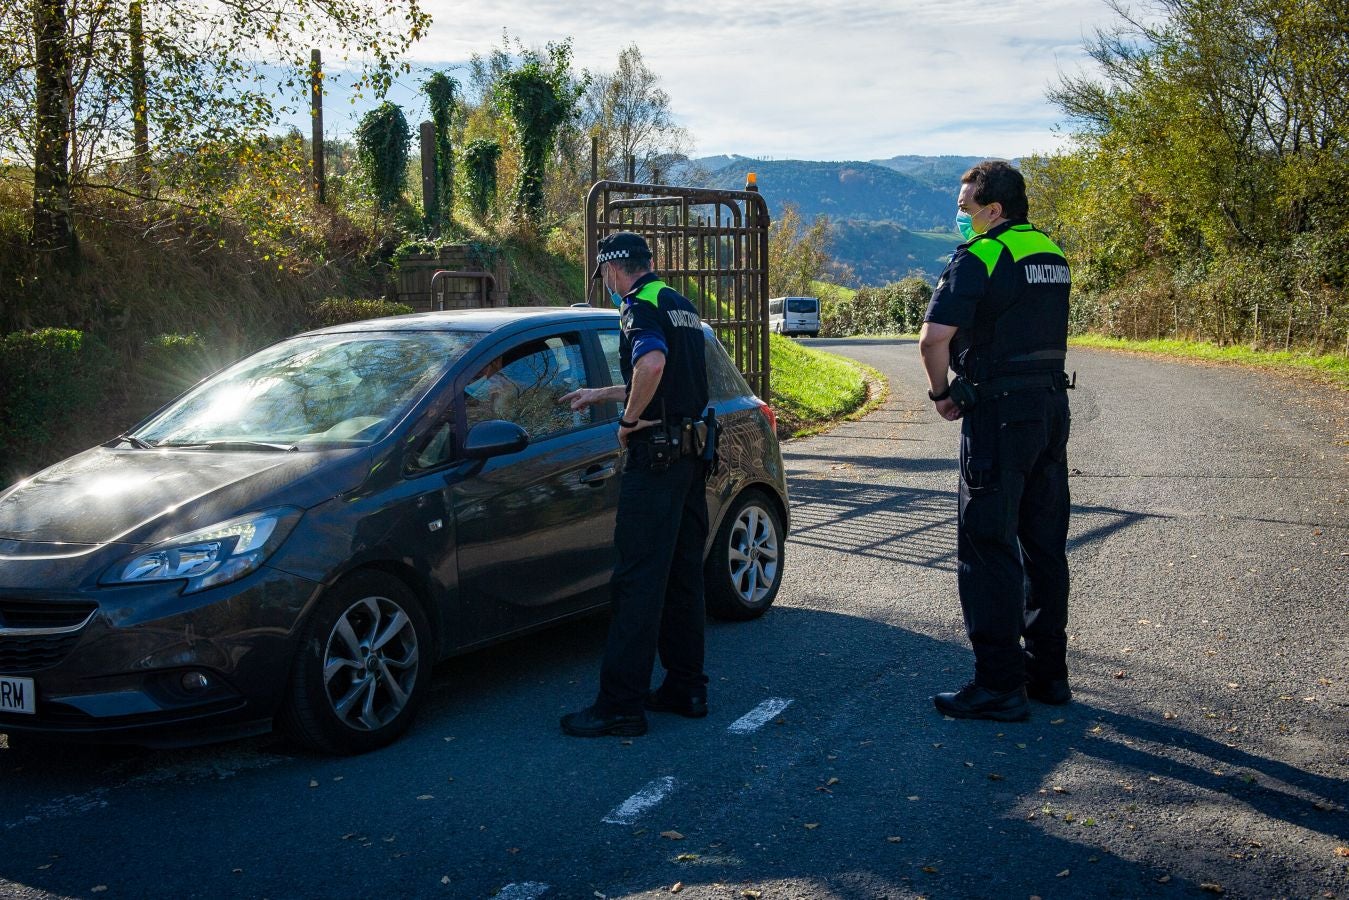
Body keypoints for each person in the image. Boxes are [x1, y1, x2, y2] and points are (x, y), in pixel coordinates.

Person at [918, 160, 1073, 722]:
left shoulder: (981, 255)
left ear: (994, 209)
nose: (960, 216)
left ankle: (999, 684)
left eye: (966, 208)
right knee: (1043, 545)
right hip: (1050, 408)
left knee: (987, 544)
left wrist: (942, 393)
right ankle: (1047, 674)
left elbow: (933, 339)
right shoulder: (1051, 252)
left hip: (1000, 414)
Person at [557, 232, 712, 737]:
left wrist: (626, 422)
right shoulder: (678, 304)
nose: (605, 283)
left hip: (657, 461)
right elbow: (667, 378)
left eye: (603, 275)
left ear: (612, 269)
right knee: (682, 577)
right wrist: (603, 392)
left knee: (636, 582)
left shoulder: (637, 306)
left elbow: (652, 364)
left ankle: (621, 705)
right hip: (691, 458)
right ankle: (686, 687)